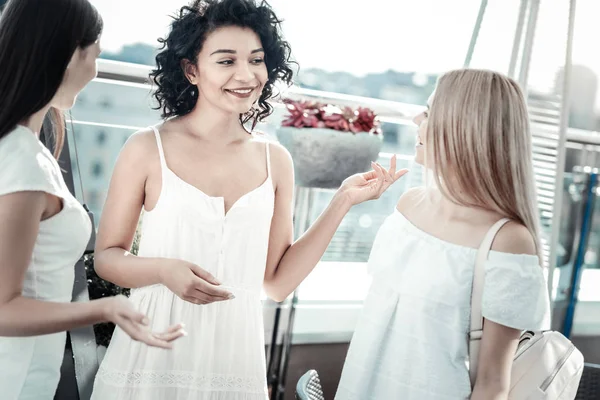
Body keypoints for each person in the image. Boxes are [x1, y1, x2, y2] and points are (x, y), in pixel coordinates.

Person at [90, 0, 407, 398]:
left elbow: (276, 283)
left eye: (256, 60)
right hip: (151, 359)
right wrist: (163, 270)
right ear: (192, 69)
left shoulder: (276, 160)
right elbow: (107, 258)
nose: (246, 75)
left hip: (235, 363)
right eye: (226, 61)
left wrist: (341, 201)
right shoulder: (146, 148)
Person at [0, 1, 185, 399]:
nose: (96, 69)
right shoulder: (21, 163)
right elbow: (2, 308)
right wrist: (105, 309)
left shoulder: (27, 151)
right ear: (70, 54)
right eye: (96, 54)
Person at [334, 69, 552, 400]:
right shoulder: (408, 205)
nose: (418, 121)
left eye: (431, 111)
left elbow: (494, 383)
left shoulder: (508, 240)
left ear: (466, 128)